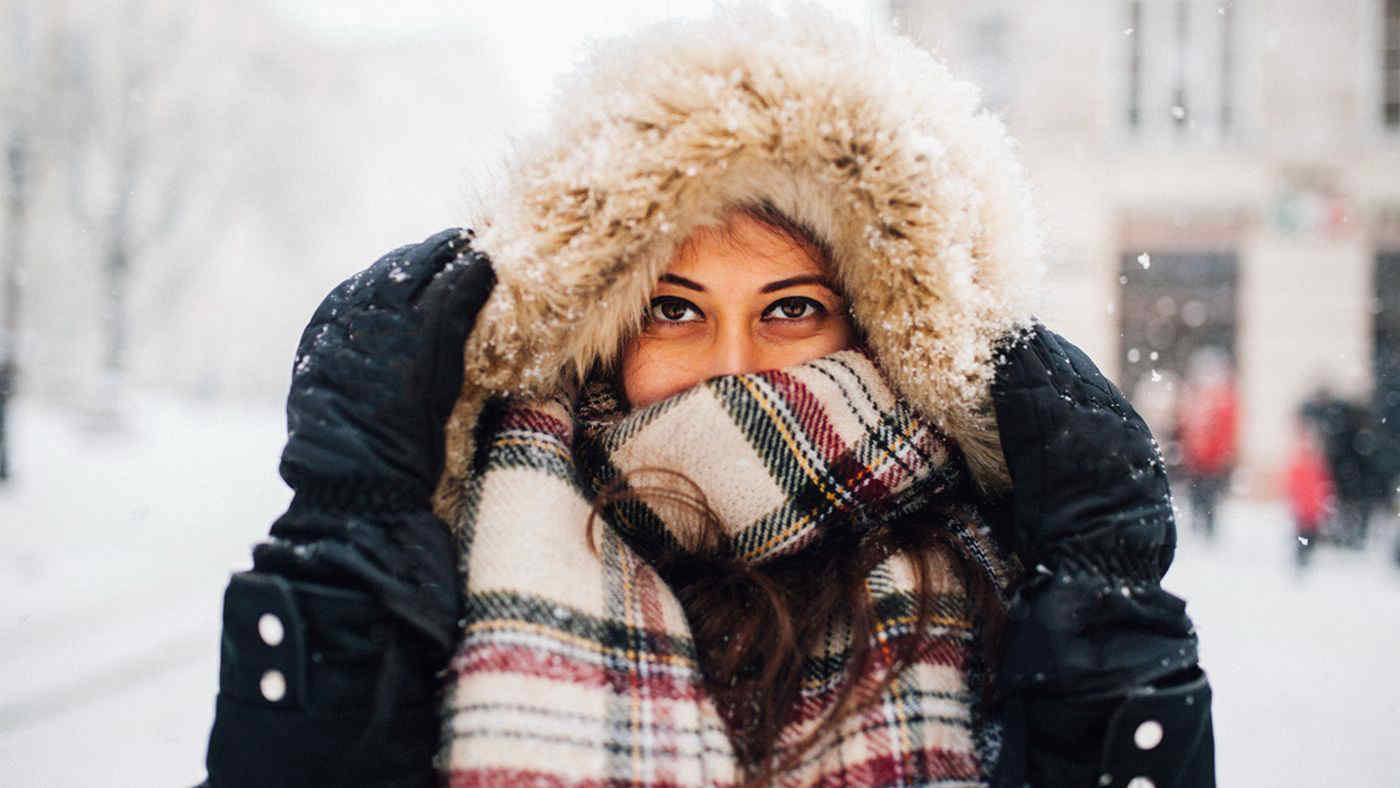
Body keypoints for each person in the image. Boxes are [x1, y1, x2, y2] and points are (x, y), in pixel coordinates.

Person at [203, 7, 1213, 786]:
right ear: (598, 329)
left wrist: (1103, 619)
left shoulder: (986, 575)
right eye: (674, 310)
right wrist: (349, 546)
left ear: (874, 322)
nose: (732, 363)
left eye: (789, 307)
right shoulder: (468, 549)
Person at [1176, 348, 1238, 539]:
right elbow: (1185, 425)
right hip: (1196, 457)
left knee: (1209, 495)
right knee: (1196, 494)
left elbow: (1226, 430)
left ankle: (1208, 529)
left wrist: (1222, 453)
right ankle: (1199, 526)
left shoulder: (1224, 399)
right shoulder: (1193, 396)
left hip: (1212, 459)